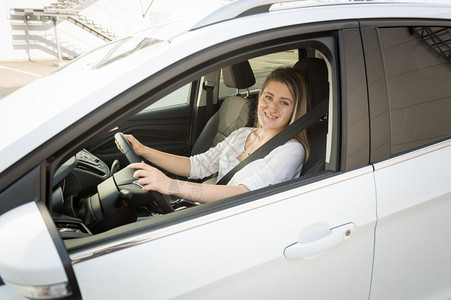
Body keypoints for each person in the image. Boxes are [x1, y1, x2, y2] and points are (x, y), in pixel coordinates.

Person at [120, 67, 310, 203]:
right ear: (260, 96)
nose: (272, 107)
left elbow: (241, 194)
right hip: (213, 210)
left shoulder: (291, 150)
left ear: (295, 109)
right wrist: (144, 151)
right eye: (268, 97)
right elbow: (197, 165)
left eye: (284, 102)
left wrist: (171, 186)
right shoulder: (242, 134)